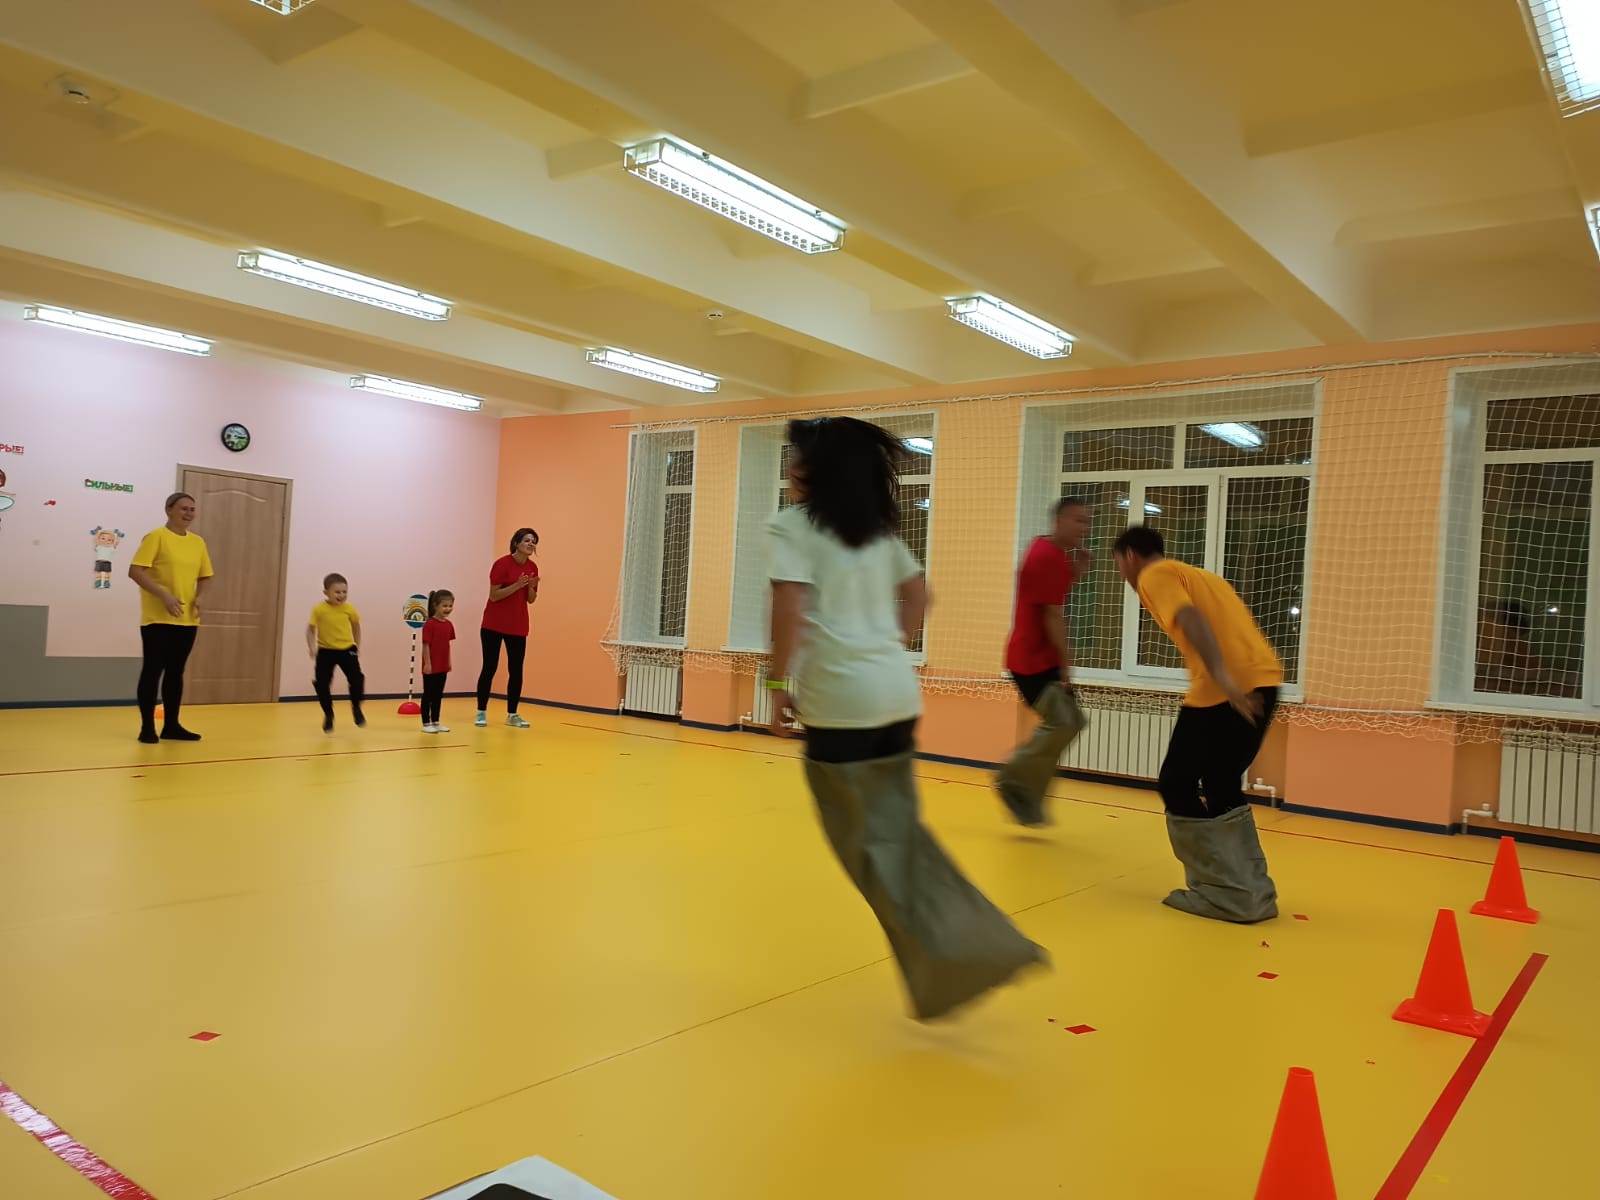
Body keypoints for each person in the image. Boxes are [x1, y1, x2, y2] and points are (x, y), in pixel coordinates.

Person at [768, 416, 1046, 1021]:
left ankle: (968, 954)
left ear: (814, 469)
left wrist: (776, 684)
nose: (789, 468)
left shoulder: (792, 525)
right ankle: (968, 948)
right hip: (896, 697)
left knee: (866, 848)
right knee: (898, 835)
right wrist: (890, 645)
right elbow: (921, 595)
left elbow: (788, 603)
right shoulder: (876, 533)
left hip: (842, 705)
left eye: (795, 458)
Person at [1111, 525, 1281, 923]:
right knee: (1221, 783)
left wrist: (1224, 679)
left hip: (1223, 691)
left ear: (1130, 556)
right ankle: (1250, 894)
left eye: (1119, 564)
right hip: (1264, 682)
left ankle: (1223, 893)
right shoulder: (1204, 577)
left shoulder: (1154, 574)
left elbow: (1189, 617)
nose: (1122, 574)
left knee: (1176, 783)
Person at [996, 497, 1091, 826]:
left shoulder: (1052, 552)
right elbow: (1053, 616)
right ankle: (1014, 780)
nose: (1084, 528)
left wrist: (1076, 572)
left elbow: (1051, 592)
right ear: (1059, 521)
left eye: (1087, 521)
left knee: (1071, 722)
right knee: (1064, 722)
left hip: (1040, 658)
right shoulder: (1045, 557)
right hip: (1031, 662)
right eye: (1079, 520)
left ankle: (1025, 795)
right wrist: (1066, 667)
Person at [128, 492, 213, 743]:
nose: (189, 513)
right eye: (183, 508)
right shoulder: (156, 537)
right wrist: (164, 595)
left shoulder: (198, 542)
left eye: (192, 509)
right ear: (169, 510)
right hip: (157, 618)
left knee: (176, 672)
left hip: (187, 619)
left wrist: (201, 597)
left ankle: (172, 726)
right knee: (153, 671)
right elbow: (135, 571)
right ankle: (147, 728)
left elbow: (206, 576)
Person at [475, 528, 539, 729]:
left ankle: (512, 714)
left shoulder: (533, 567)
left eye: (534, 541)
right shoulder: (502, 564)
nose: (531, 544)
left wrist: (530, 587)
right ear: (517, 543)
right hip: (493, 624)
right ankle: (481, 712)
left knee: (516, 670)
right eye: (527, 540)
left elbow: (531, 599)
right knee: (490, 667)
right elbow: (494, 596)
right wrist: (517, 585)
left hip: (518, 625)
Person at [307, 573, 365, 733]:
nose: (341, 595)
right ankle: (328, 714)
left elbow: (356, 626)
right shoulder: (319, 609)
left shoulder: (349, 608)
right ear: (326, 592)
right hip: (326, 651)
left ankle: (356, 708)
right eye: (337, 592)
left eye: (344, 592)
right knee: (321, 683)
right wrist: (312, 647)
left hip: (347, 649)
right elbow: (310, 630)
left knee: (357, 680)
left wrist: (357, 646)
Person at [421, 589, 456, 734]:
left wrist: (448, 662)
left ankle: (435, 721)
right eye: (445, 606)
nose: (448, 609)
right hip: (431, 667)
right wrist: (428, 663)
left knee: (438, 695)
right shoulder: (429, 624)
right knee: (428, 695)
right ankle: (426, 723)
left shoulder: (449, 625)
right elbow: (426, 645)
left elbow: (446, 646)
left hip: (442, 666)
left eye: (450, 606)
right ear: (436, 605)